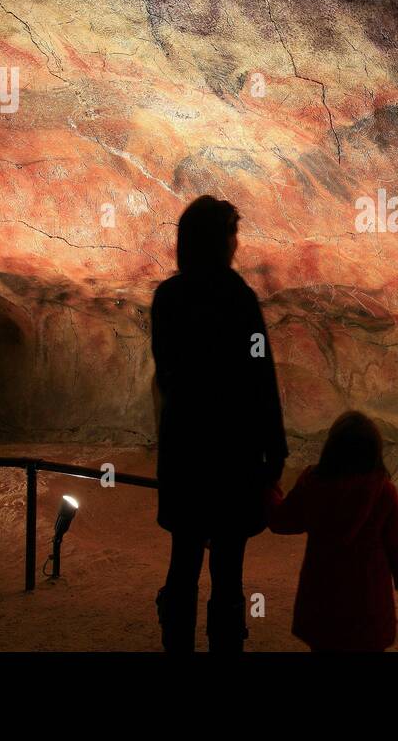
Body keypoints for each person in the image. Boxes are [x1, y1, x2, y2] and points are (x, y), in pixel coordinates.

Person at [150, 195, 288, 652]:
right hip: (232, 453)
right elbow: (259, 377)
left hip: (186, 450)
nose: (236, 242)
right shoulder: (238, 298)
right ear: (219, 239)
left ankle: (177, 645)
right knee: (228, 571)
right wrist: (274, 450)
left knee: (183, 561)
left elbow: (168, 376)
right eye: (232, 232)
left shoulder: (167, 298)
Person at [267, 410, 398, 651]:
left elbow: (282, 521)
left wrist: (270, 490)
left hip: (322, 599)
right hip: (367, 604)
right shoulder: (382, 491)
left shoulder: (313, 485)